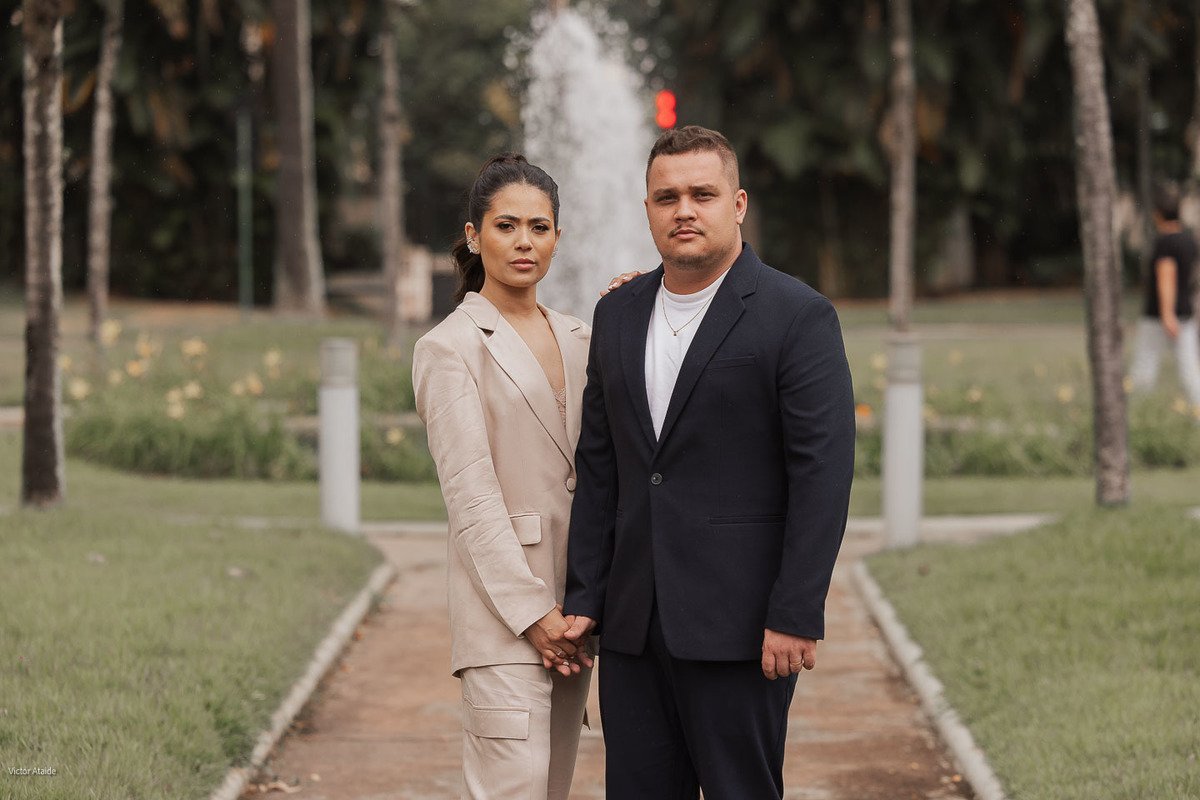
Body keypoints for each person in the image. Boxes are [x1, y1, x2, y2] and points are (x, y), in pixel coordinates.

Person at [562, 125, 856, 799]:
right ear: (647, 210)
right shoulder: (617, 314)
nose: (684, 210)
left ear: (739, 204)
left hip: (743, 627)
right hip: (634, 626)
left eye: (702, 193)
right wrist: (586, 594)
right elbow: (600, 468)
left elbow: (822, 475)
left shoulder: (797, 316)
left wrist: (796, 609)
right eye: (667, 197)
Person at [412, 154, 595, 800]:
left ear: (557, 238)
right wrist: (532, 614)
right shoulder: (449, 348)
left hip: (575, 621)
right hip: (504, 622)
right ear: (473, 235)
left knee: (551, 790)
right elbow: (471, 499)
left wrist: (579, 608)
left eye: (539, 228)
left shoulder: (582, 337)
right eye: (507, 226)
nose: (524, 242)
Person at [1129, 184, 1200, 413]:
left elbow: (1166, 276)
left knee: (1144, 367)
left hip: (1159, 317)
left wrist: (1167, 313)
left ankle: (1134, 413)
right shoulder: (1190, 241)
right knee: (1190, 370)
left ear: (1157, 215)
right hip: (1186, 313)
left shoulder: (1165, 243)